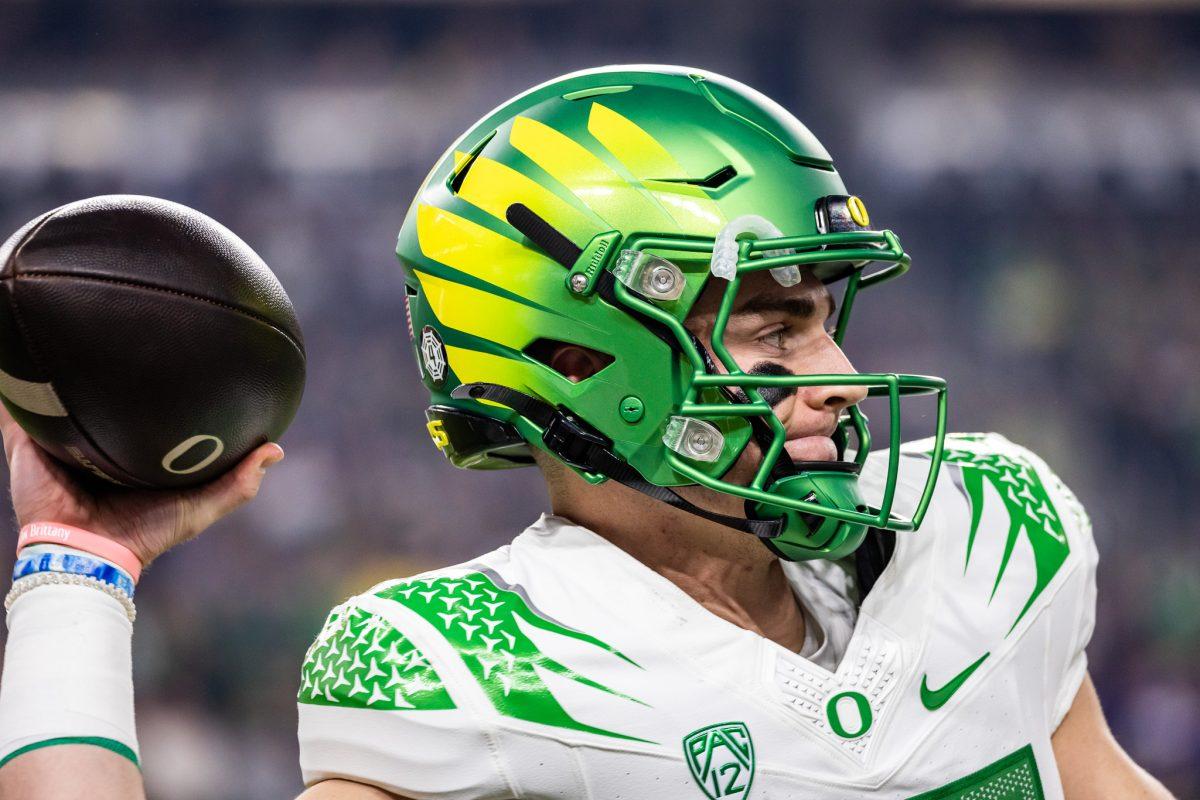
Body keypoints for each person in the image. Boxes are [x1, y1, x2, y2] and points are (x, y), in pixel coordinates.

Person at [0, 65, 1174, 800]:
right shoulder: (475, 672)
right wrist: (77, 564)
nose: (843, 380)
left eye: (826, 321)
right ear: (578, 360)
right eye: (772, 333)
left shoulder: (987, 532)